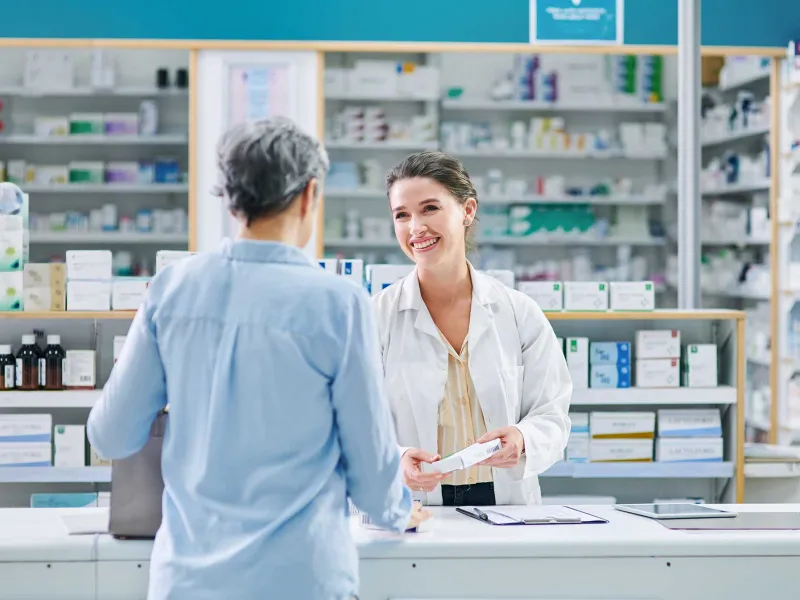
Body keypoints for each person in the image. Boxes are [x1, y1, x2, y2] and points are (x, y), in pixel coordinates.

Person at [87, 117, 429, 600]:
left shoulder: (174, 288)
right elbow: (372, 475)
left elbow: (111, 433)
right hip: (301, 579)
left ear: (230, 198)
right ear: (310, 194)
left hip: (189, 581)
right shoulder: (337, 302)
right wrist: (398, 510)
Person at [373, 151, 572, 507]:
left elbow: (552, 415)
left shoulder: (517, 312)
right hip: (413, 506)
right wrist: (396, 458)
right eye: (402, 215)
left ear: (467, 211)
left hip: (505, 504)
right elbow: (355, 425)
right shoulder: (376, 318)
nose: (415, 227)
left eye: (430, 208)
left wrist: (522, 439)